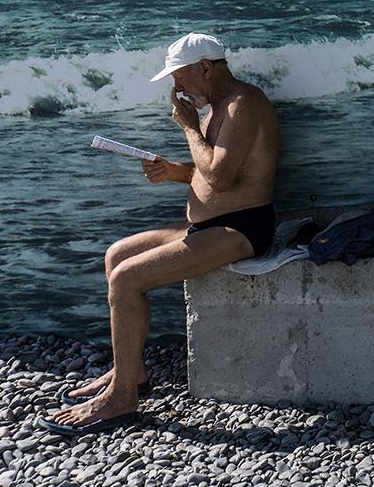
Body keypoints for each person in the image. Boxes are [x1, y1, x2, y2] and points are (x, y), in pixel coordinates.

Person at [40, 32, 279, 435]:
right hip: (208, 224)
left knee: (128, 278)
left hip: (241, 227)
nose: (176, 87)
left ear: (205, 67)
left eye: (180, 77)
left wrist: (188, 128)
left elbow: (220, 179)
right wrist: (175, 172)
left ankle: (121, 401)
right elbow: (212, 172)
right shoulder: (216, 107)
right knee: (117, 254)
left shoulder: (243, 104)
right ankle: (129, 374)